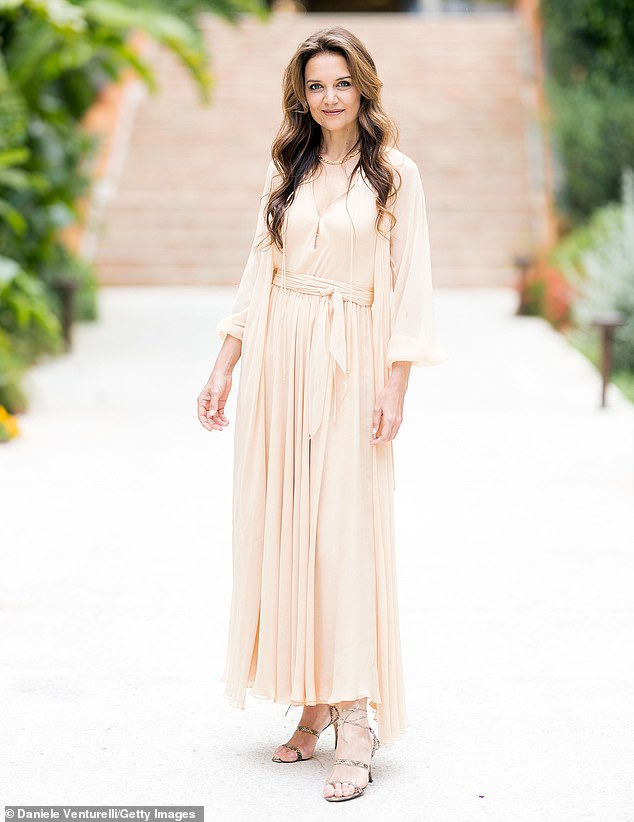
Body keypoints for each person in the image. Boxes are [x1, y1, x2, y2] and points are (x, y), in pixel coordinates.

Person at [197, 25, 448, 803]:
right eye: (316, 86)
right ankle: (309, 700)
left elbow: (411, 284)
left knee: (344, 535)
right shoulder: (292, 167)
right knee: (290, 531)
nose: (329, 97)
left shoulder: (394, 174)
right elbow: (256, 268)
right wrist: (225, 364)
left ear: (363, 88)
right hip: (281, 360)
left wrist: (395, 383)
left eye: (341, 83)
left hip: (352, 358)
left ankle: (357, 718)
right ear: (300, 96)